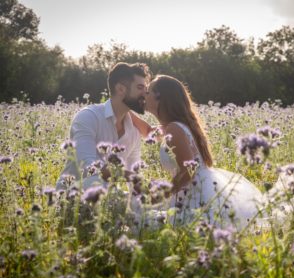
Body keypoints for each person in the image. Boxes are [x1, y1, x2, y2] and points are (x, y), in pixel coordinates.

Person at [144, 75, 264, 228]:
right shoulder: (171, 127)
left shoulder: (174, 128)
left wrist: (163, 194)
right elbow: (146, 130)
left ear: (160, 98)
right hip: (191, 190)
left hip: (195, 194)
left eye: (147, 92)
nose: (144, 95)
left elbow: (188, 171)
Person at [56, 62, 153, 190]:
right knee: (93, 182)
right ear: (121, 89)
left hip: (109, 200)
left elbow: (134, 175)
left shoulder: (134, 131)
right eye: (140, 87)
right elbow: (88, 168)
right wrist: (129, 176)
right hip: (72, 196)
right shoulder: (88, 117)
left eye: (146, 89)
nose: (145, 94)